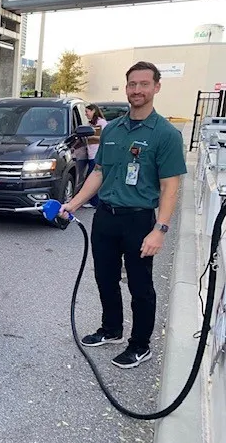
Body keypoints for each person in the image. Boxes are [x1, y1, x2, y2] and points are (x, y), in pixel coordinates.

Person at [59, 61, 187, 369]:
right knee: (105, 277)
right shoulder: (113, 129)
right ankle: (111, 329)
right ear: (126, 87)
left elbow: (170, 186)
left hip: (139, 220)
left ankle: (140, 345)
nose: (137, 90)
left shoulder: (166, 134)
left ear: (156, 87)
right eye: (132, 84)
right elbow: (100, 172)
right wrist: (74, 204)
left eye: (144, 84)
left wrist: (160, 229)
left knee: (140, 286)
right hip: (106, 216)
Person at [82, 104, 109, 208]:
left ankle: (95, 202)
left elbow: (105, 137)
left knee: (93, 177)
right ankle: (93, 200)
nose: (86, 114)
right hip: (90, 154)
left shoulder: (101, 122)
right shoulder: (89, 124)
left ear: (93, 111)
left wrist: (91, 137)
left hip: (96, 154)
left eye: (87, 111)